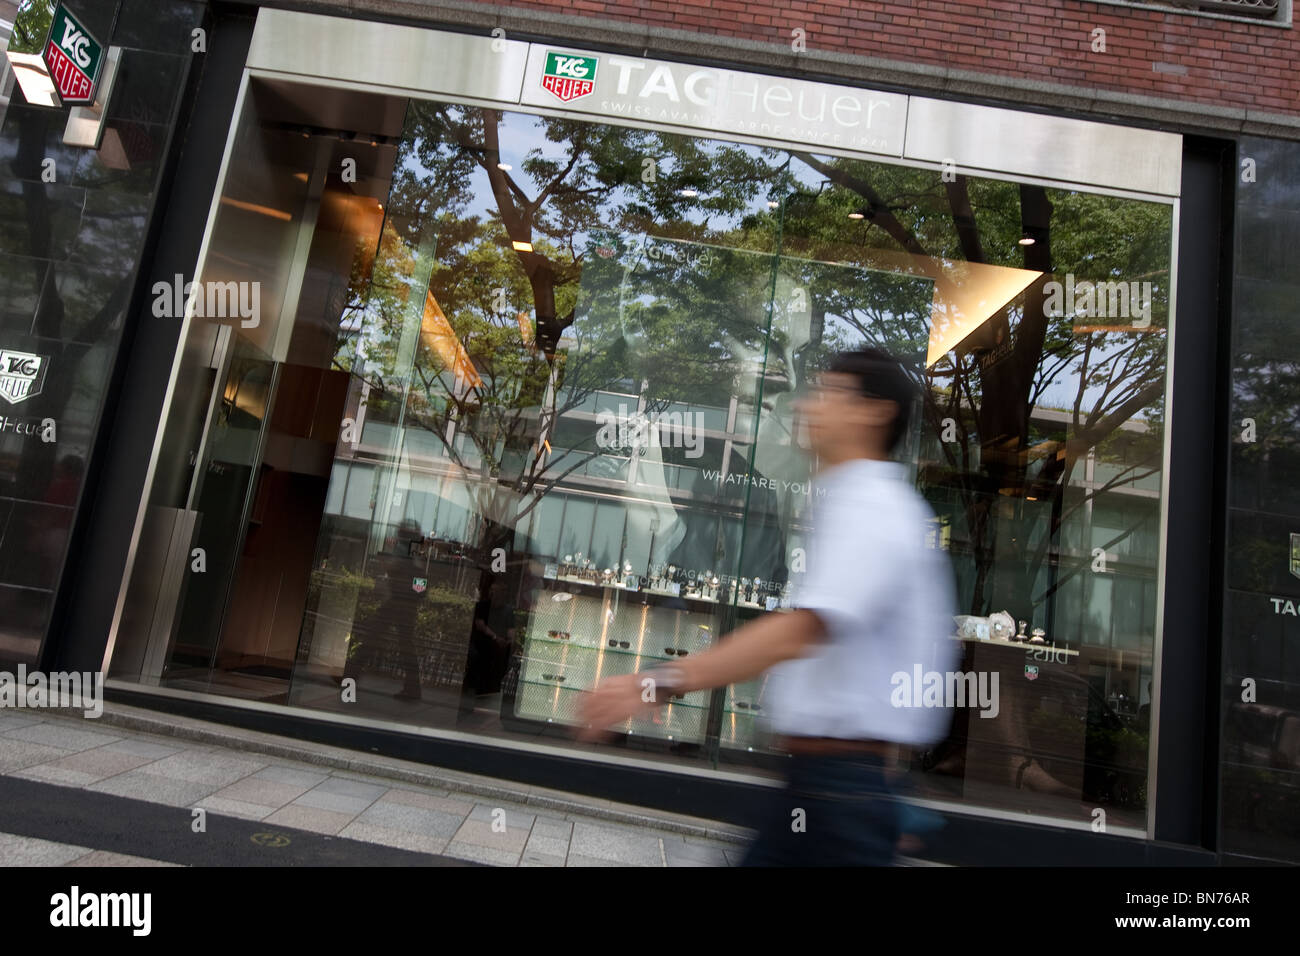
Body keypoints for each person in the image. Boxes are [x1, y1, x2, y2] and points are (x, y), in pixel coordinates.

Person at [577, 348, 960, 866]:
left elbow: (801, 632)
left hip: (838, 794)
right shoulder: (853, 500)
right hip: (825, 787)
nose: (811, 405)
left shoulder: (873, 508)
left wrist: (655, 683)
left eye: (831, 392)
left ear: (876, 411)